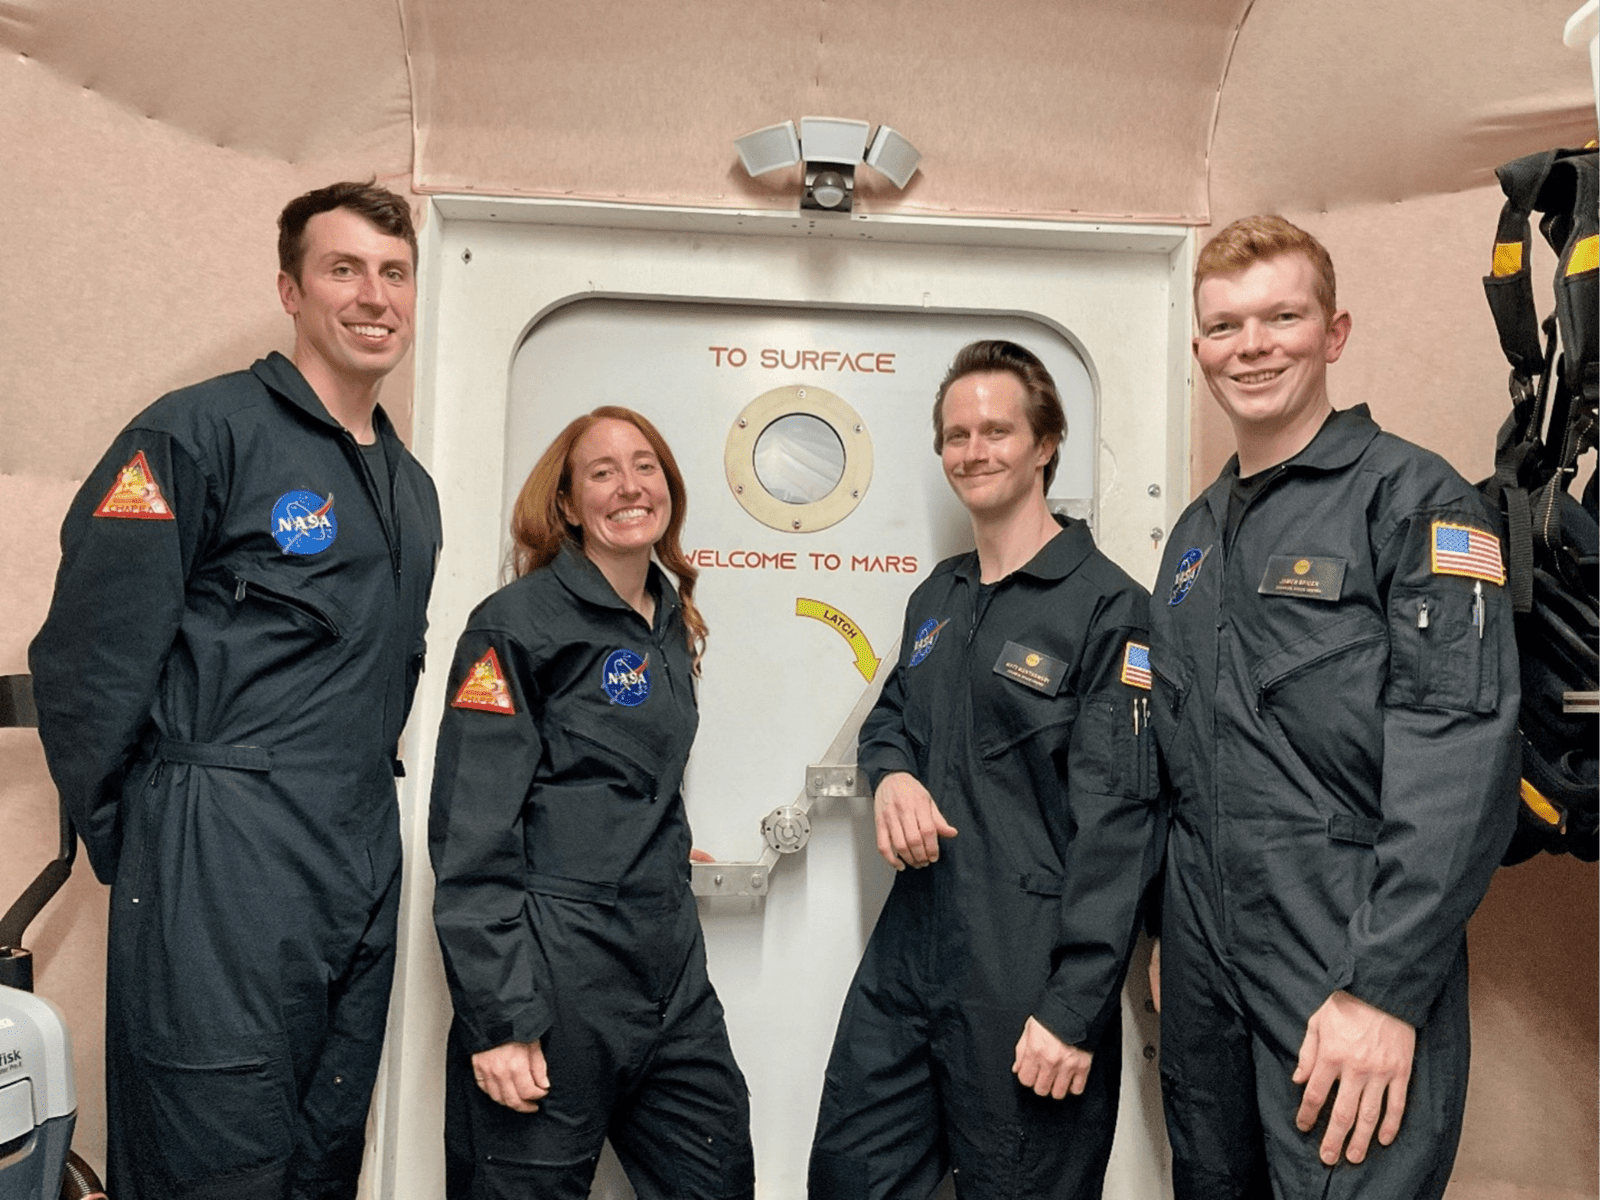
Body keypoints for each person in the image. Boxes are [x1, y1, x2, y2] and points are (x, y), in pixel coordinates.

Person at [28, 181, 441, 1198]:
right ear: (290, 290)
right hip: (222, 839)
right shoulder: (195, 435)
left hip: (356, 842)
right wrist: (161, 835)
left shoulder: (409, 487)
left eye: (394, 273)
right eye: (343, 269)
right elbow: (87, 661)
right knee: (210, 1141)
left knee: (319, 1141)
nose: (374, 295)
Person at [1147, 215, 1519, 1198]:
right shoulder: (1192, 539)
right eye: (1225, 326)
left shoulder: (1412, 500)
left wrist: (1384, 991)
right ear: (1199, 348)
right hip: (1204, 959)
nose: (1252, 345)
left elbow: (1461, 756)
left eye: (1281, 316)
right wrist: (1164, 940)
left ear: (1334, 332)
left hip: (1342, 946)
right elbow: (1179, 765)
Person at [807, 340, 1161, 1199]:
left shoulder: (1111, 609)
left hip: (1027, 972)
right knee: (851, 1176)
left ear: (1046, 444)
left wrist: (1074, 1008)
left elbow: (1124, 824)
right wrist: (891, 776)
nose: (974, 450)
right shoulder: (939, 597)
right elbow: (889, 716)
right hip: (910, 954)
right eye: (956, 434)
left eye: (998, 429)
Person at [429, 406, 755, 1200]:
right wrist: (502, 1021)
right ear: (568, 505)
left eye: (645, 465)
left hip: (667, 969)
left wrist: (658, 846)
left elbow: (635, 775)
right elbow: (473, 831)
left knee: (715, 1177)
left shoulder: (670, 618)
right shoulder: (516, 625)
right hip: (555, 969)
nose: (629, 485)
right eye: (602, 472)